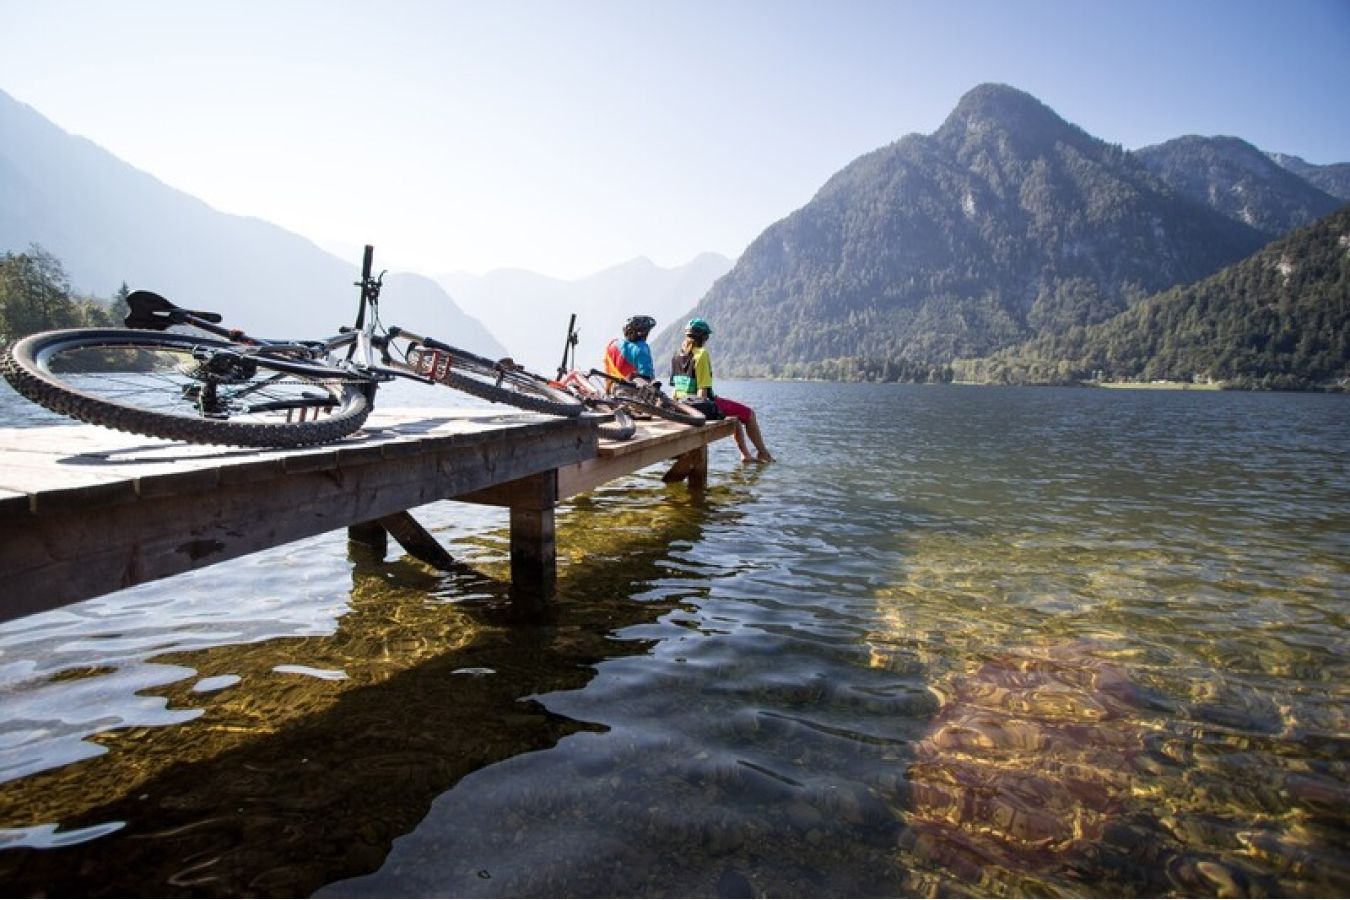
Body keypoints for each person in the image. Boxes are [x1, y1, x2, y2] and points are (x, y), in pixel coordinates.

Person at [671, 317, 774, 463]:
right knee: (749, 414)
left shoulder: (676, 356)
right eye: (706, 337)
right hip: (700, 406)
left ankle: (745, 454)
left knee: (735, 416)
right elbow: (702, 390)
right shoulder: (701, 354)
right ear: (703, 337)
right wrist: (700, 414)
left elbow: (676, 389)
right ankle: (763, 453)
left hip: (682, 406)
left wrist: (676, 409)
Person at [603, 315, 657, 382]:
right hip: (633, 390)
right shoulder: (641, 348)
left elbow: (607, 371)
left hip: (614, 388)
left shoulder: (612, 345)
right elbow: (647, 375)